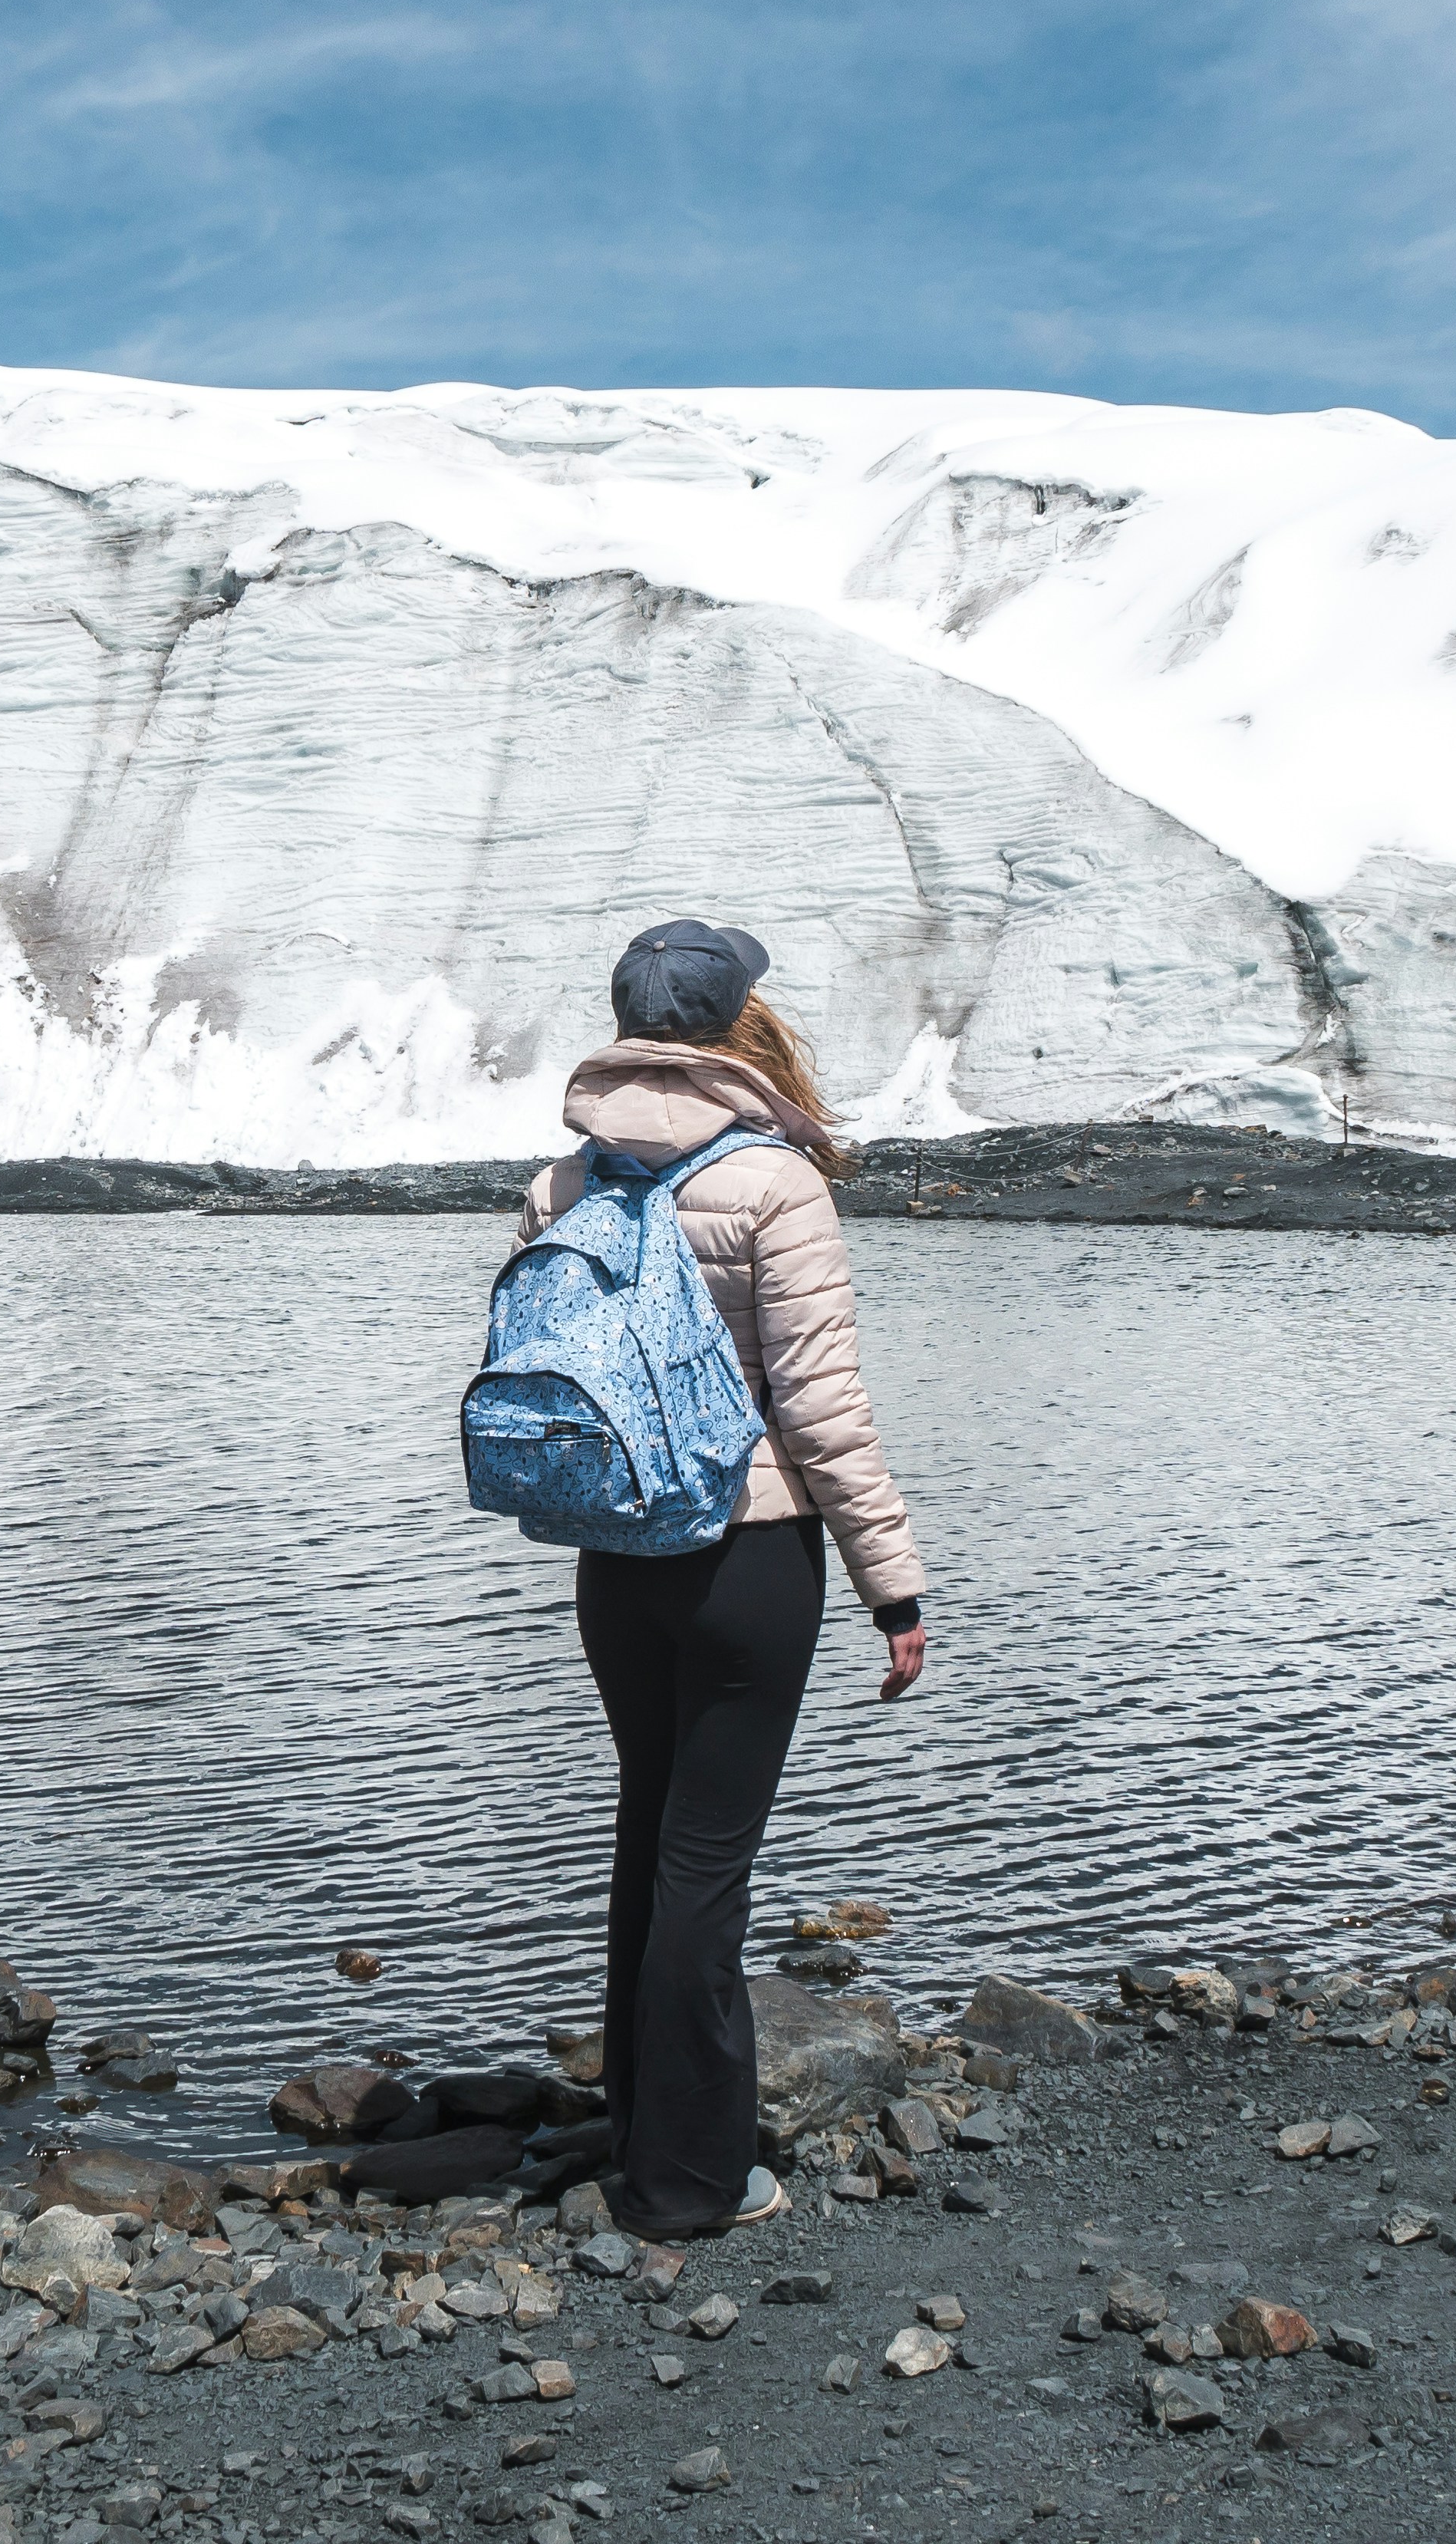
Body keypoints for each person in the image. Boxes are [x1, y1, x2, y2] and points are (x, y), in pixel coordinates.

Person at [517, 916, 930, 2241]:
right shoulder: (774, 1183)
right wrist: (893, 1584)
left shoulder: (563, 1181)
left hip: (616, 1557)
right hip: (748, 1556)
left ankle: (642, 2129)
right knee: (708, 1864)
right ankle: (693, 2181)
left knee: (651, 1838)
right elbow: (821, 1411)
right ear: (739, 1026)